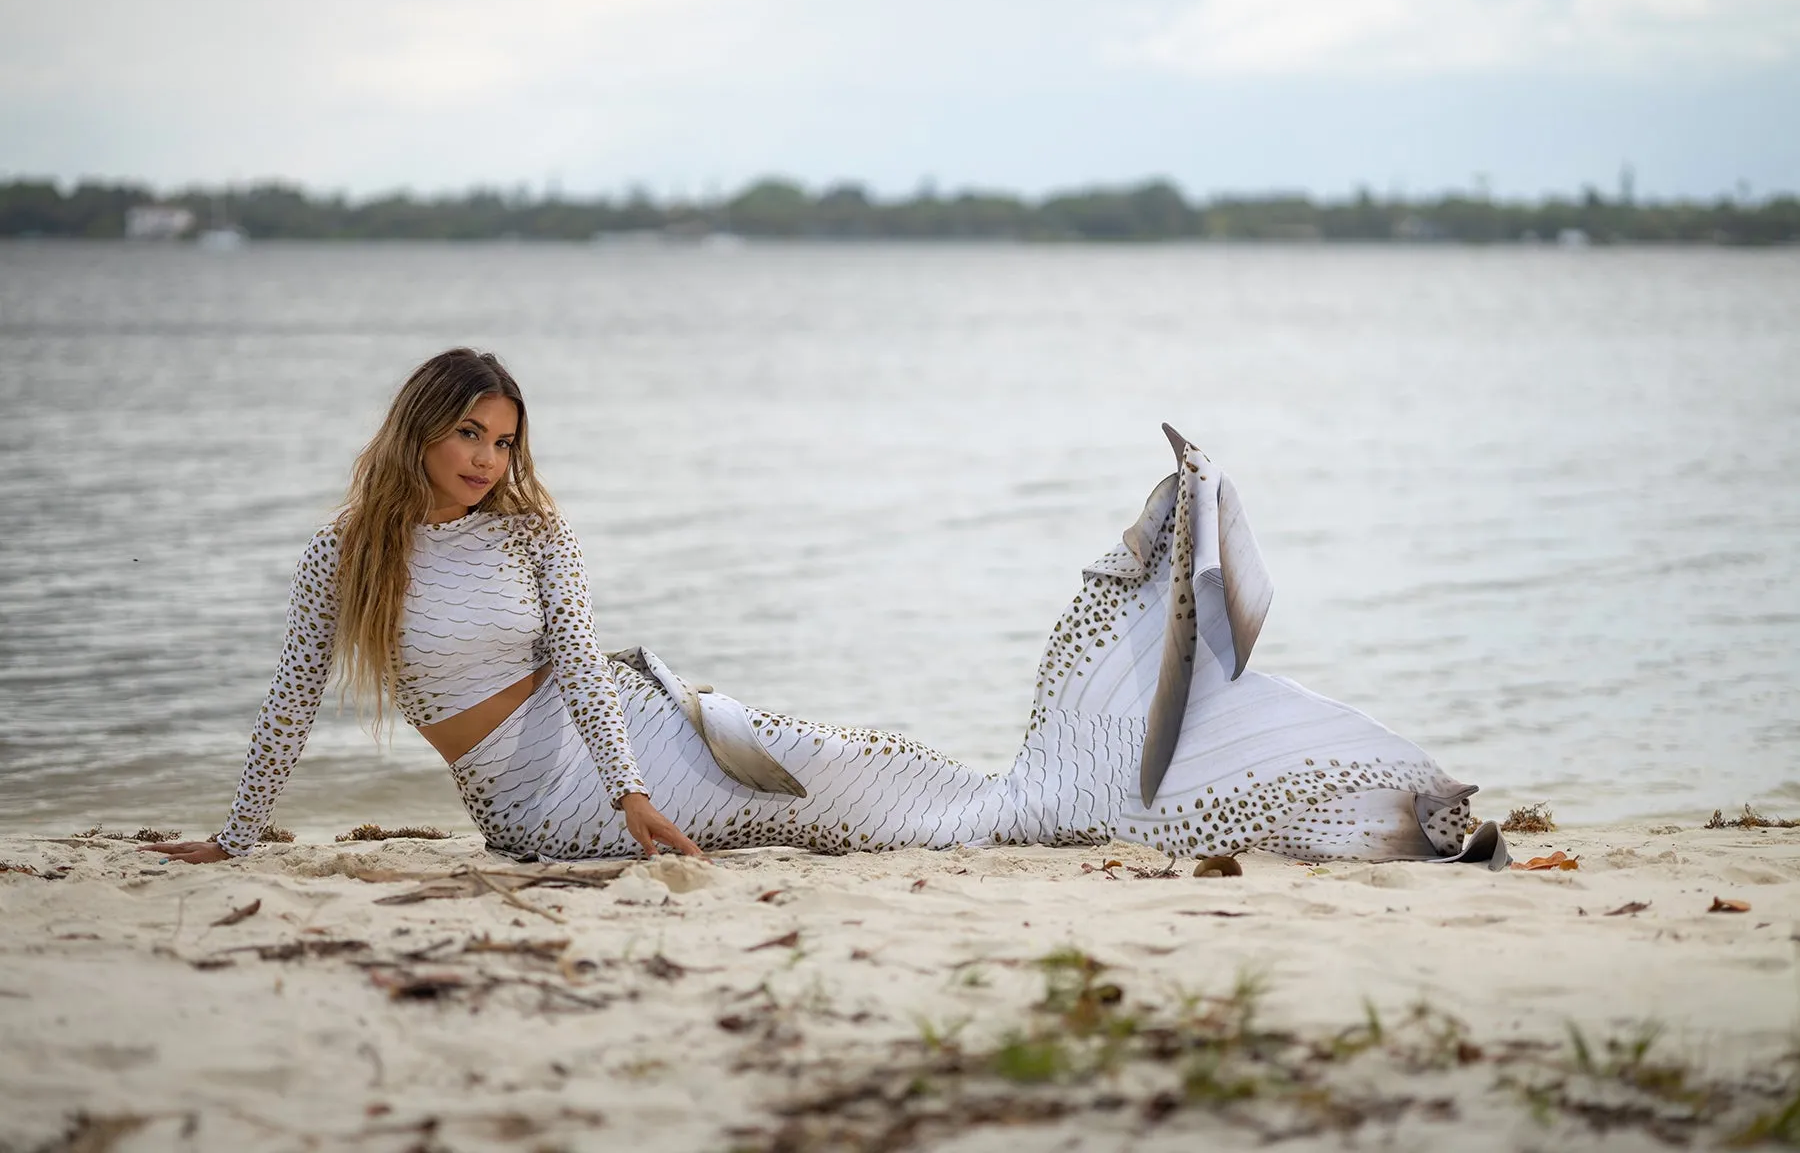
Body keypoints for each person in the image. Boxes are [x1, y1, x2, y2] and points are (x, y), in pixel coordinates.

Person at [146, 348, 1505, 869]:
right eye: (471, 437)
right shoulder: (345, 557)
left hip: (628, 739)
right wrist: (235, 840)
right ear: (421, 430)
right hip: (528, 804)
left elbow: (574, 659)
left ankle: (1160, 760)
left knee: (875, 780)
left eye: (505, 441)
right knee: (875, 801)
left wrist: (634, 795)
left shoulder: (538, 534)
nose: (490, 462)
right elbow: (285, 707)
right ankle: (1113, 777)